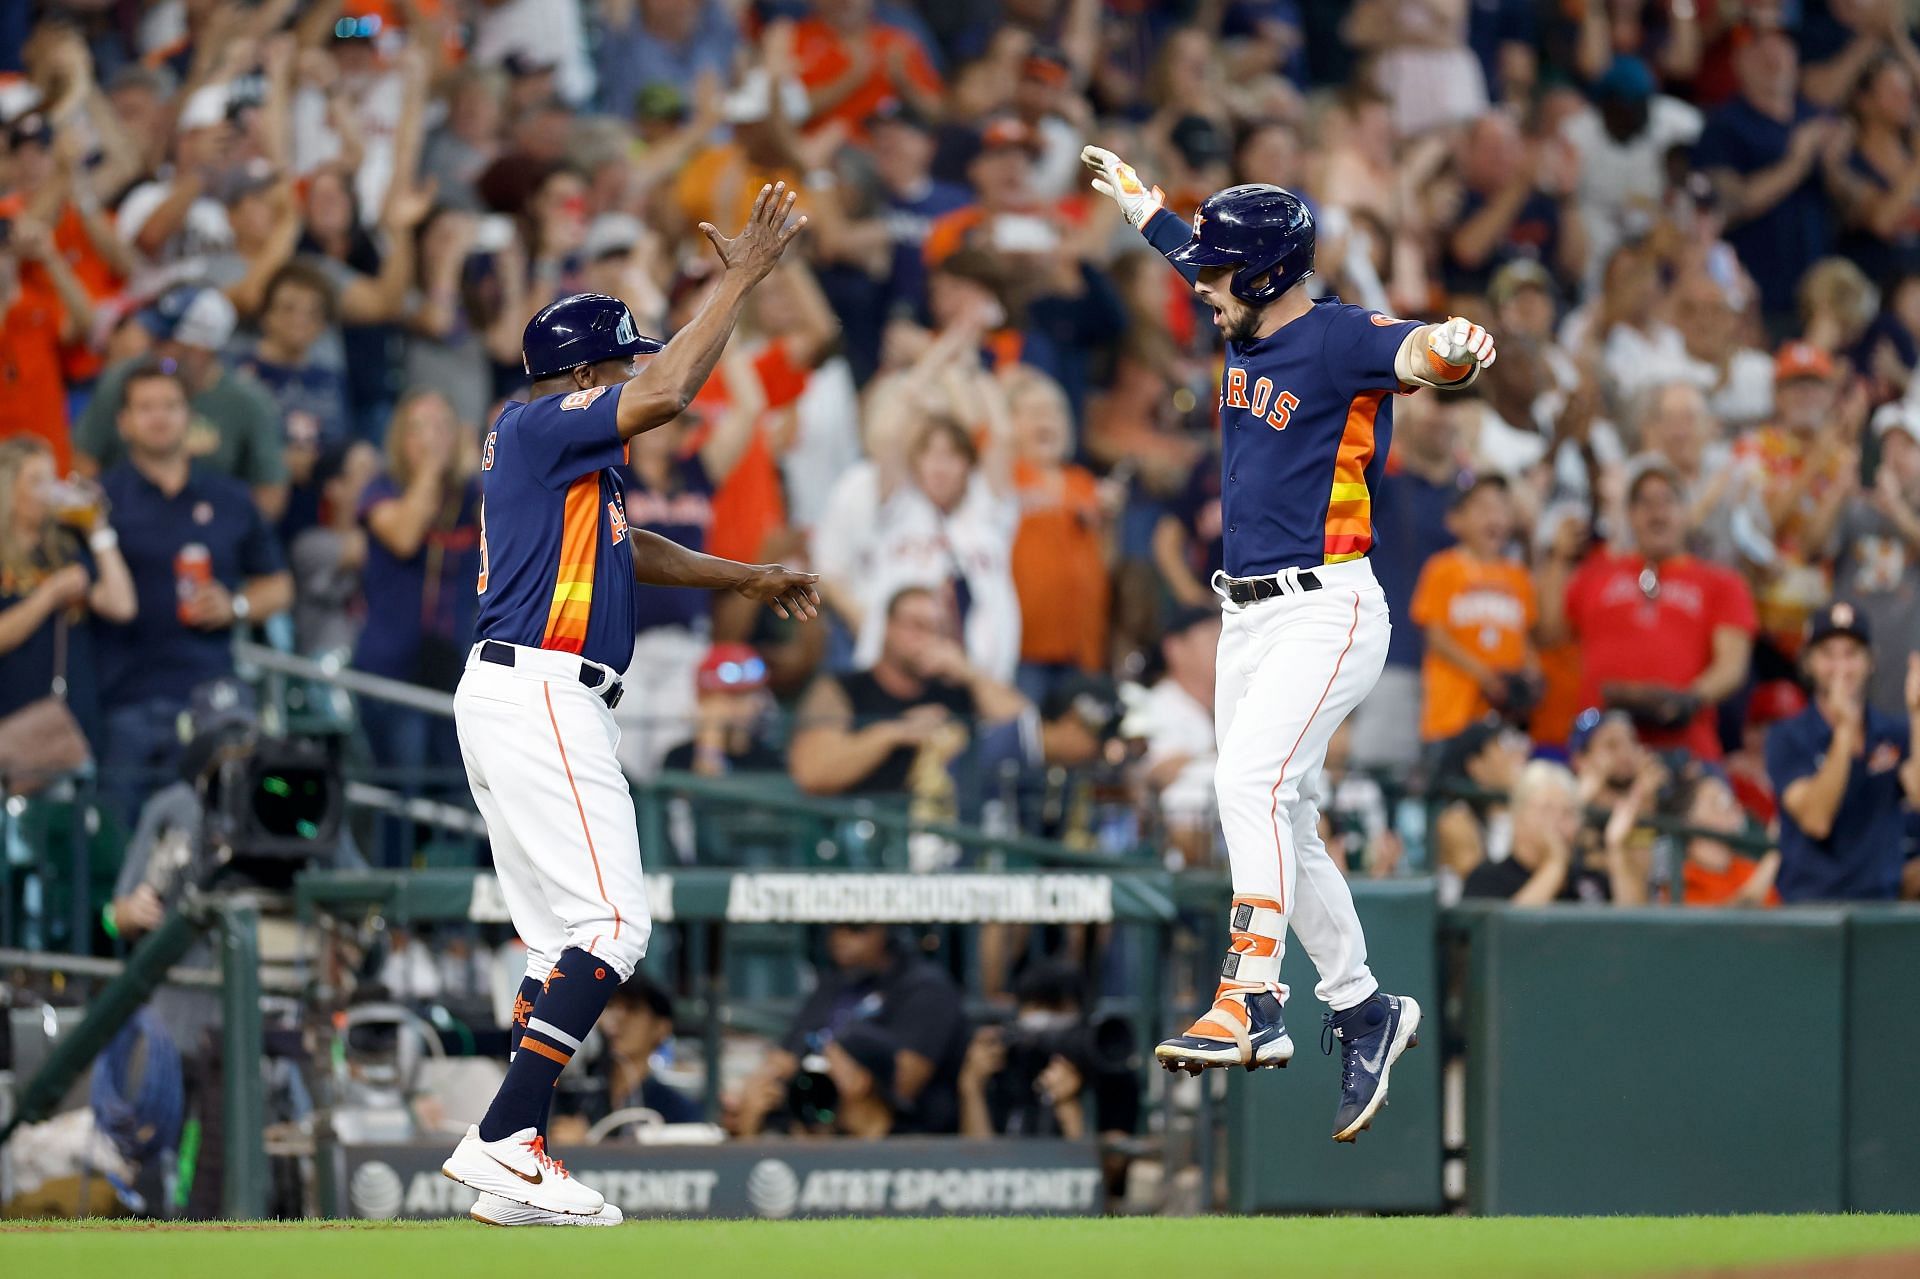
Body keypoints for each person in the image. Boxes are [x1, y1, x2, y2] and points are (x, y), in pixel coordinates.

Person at [1080, 147, 1497, 1140]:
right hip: (1246, 617)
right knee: (1286, 815)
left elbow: (1418, 353)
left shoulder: (1339, 335)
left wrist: (1457, 345)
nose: (1205, 286)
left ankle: (1252, 996)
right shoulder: (1248, 303)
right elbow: (1192, 251)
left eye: (1222, 273)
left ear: (1263, 276)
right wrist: (1146, 209)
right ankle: (1361, 1005)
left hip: (1328, 603)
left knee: (1247, 786)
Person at [439, 186, 818, 1228]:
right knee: (614, 922)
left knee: (556, 938)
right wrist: (739, 278)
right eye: (623, 358)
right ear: (586, 372)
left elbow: (630, 548)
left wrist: (739, 576)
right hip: (543, 690)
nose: (636, 370)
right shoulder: (537, 424)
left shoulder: (568, 462)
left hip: (525, 693)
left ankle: (513, 1155)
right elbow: (670, 396)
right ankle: (506, 1137)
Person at [94, 362, 292, 826]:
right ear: (122, 422)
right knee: (119, 839)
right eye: (145, 407)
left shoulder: (229, 497)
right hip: (124, 698)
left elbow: (279, 585)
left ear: (190, 416)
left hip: (211, 693)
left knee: (220, 830)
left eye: (170, 405)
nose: (159, 417)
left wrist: (236, 605)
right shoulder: (100, 501)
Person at [1541, 458, 1756, 762]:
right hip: (1600, 747)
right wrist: (1559, 558)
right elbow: (1550, 634)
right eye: (1644, 502)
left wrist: (1687, 700)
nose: (1657, 512)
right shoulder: (1596, 573)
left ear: (1687, 512)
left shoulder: (1722, 583)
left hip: (1684, 748)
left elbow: (1732, 666)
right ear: (1630, 515)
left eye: (1667, 500)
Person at [353, 390, 482, 866]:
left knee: (459, 788)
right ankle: (398, 910)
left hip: (455, 665)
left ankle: (452, 920)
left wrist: (474, 469)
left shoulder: (469, 496)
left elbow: (507, 531)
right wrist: (431, 469)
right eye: (421, 428)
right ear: (401, 438)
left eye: (442, 426)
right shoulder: (382, 489)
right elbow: (405, 536)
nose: (433, 439)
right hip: (393, 667)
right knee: (402, 788)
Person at [724, 922, 968, 1136]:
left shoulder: (925, 988)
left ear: (885, 929)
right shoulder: (834, 983)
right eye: (834, 926)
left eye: (855, 928)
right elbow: (784, 1057)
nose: (840, 937)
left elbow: (902, 1085)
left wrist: (842, 1076)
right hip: (820, 1124)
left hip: (905, 1133)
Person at [73, 286, 289, 521]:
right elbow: (84, 461)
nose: (153, 347)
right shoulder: (123, 380)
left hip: (212, 527)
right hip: (125, 521)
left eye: (166, 341)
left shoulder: (248, 402)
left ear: (200, 349)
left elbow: (270, 495)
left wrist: (223, 534)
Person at [789, 585, 1027, 799]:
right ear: (888, 627)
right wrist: (895, 731)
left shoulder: (958, 689)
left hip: (944, 829)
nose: (927, 638)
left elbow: (1028, 732)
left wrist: (970, 673)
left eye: (938, 629)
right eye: (917, 625)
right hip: (863, 825)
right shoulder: (845, 687)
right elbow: (812, 773)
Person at [1766, 602, 1920, 903]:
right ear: (1809, 662)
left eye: (1851, 654)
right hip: (1811, 907)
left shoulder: (1891, 732)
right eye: (1828, 655)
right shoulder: (1788, 735)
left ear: (1870, 661)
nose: (1841, 667)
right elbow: (1817, 819)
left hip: (1881, 905)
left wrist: (1917, 714)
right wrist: (1845, 730)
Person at [0, 438, 136, 752]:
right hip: (11, 716)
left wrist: (98, 530)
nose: (50, 491)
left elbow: (122, 605)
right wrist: (48, 595)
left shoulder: (66, 549)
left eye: (52, 478)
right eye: (36, 481)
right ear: (8, 489)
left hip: (70, 721)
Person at [1409, 474, 1539, 744]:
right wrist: (1487, 676)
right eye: (1483, 508)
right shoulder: (1442, 568)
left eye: (1502, 507)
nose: (1495, 517)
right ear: (1456, 520)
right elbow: (1437, 638)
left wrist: (1531, 672)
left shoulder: (1519, 576)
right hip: (1452, 715)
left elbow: (1524, 639)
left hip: (1504, 718)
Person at [1832, 402, 1920, 718]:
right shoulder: (1856, 511)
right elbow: (1809, 549)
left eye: (1908, 446)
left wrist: (1896, 509)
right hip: (1851, 662)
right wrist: (1838, 493)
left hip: (1908, 668)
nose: (1894, 456)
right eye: (1888, 445)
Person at [550, 975, 702, 1143]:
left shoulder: (673, 1108)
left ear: (661, 1027)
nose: (618, 1019)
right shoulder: (573, 1092)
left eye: (632, 1009)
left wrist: (590, 1144)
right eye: (610, 1007)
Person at [1461, 759, 1613, 904]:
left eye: (1568, 812)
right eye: (1547, 810)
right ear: (1517, 816)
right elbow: (1510, 928)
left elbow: (1625, 925)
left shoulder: (1589, 880)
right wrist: (1555, 863)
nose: (1557, 822)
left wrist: (1618, 852)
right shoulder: (1486, 880)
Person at [1140, 606, 1223, 867]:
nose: (1221, 646)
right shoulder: (1156, 704)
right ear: (1175, 648)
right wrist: (1216, 754)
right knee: (1186, 800)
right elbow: (1156, 774)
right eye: (1211, 637)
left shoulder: (1236, 698)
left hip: (1238, 816)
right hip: (1182, 836)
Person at [660, 642, 784, 776]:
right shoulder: (679, 757)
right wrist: (710, 744)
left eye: (749, 694)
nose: (745, 705)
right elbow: (695, 795)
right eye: (732, 696)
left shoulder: (770, 761)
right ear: (705, 701)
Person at [1668, 771, 1781, 908]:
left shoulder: (1748, 869)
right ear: (1690, 821)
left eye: (1729, 799)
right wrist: (1774, 853)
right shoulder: (1682, 880)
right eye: (1718, 802)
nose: (1730, 806)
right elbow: (1724, 924)